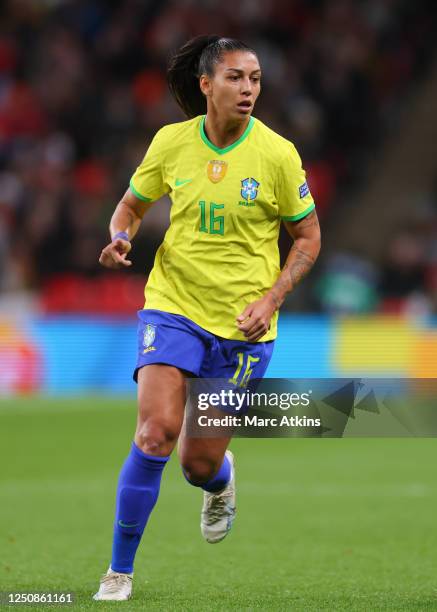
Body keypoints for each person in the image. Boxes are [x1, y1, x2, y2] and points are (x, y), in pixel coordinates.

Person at [94, 35, 321, 601]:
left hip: (243, 328)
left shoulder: (277, 154)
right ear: (206, 84)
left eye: (256, 79)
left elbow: (309, 238)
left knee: (197, 464)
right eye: (236, 78)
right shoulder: (172, 143)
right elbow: (131, 205)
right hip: (172, 307)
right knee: (154, 434)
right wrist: (121, 236)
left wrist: (270, 300)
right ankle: (118, 572)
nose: (248, 89)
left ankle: (219, 481)